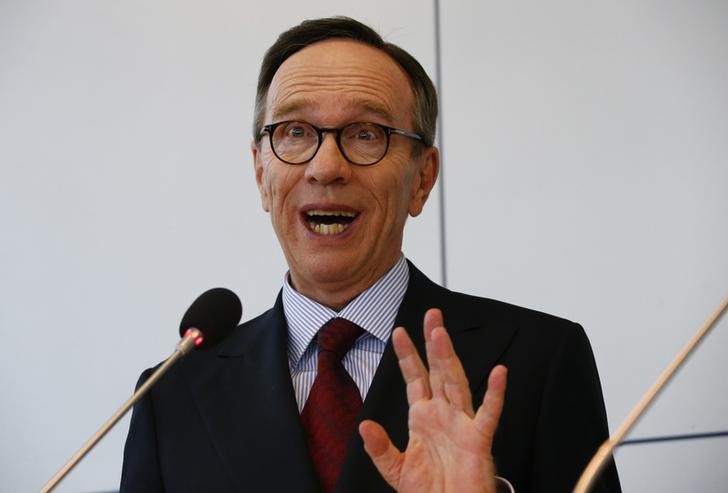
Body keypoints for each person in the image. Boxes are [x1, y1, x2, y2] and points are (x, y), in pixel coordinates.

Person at [121, 16, 621, 493]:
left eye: (367, 134)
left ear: (422, 178)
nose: (326, 166)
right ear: (260, 175)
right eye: (294, 131)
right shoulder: (171, 395)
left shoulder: (540, 360)